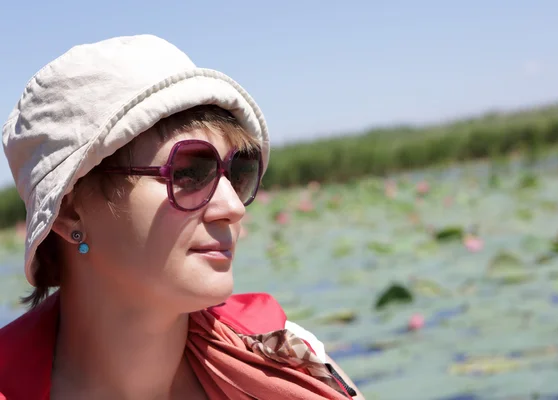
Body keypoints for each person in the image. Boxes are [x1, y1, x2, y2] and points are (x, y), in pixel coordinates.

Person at [0, 35, 365, 400]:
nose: (233, 207)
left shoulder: (285, 362)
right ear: (69, 210)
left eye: (237, 174)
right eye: (187, 174)